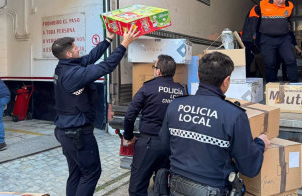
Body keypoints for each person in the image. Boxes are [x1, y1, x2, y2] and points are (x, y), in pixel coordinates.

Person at [160, 52, 270, 195]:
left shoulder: (175, 105)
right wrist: (260, 144)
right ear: (226, 80)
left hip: (177, 188)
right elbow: (249, 167)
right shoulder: (234, 115)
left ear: (199, 76)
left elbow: (165, 146)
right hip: (214, 190)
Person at [52, 26, 140, 196]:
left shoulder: (64, 67)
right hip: (77, 134)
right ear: (69, 54)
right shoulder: (73, 75)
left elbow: (90, 58)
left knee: (77, 173)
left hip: (66, 131)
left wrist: (108, 40)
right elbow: (105, 67)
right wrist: (124, 45)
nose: (79, 49)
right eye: (76, 47)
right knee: (92, 173)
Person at [124, 54, 186, 196]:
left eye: (154, 67)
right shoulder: (181, 90)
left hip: (149, 144)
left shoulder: (148, 87)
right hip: (171, 145)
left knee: (137, 187)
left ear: (158, 71)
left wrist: (129, 136)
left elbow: (130, 114)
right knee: (163, 184)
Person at [241, 0, 298, 83]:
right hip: (267, 39)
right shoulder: (262, 4)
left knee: (291, 60)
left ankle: (295, 84)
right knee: (270, 63)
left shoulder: (290, 5)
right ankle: (271, 85)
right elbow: (252, 18)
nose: (281, 0)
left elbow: (287, 19)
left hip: (283, 38)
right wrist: (250, 36)